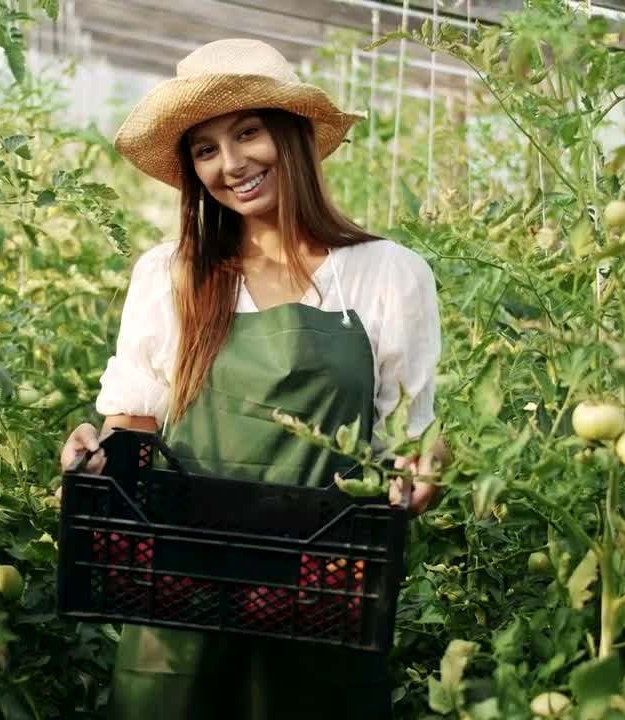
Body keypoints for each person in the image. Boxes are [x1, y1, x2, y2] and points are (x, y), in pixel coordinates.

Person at [57, 38, 447, 720]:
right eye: (205, 149)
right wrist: (96, 451)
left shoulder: (387, 275)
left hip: (323, 597)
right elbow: (135, 424)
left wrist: (425, 467)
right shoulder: (171, 275)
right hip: (179, 598)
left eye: (246, 133)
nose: (230, 164)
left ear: (291, 135)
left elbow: (408, 440)